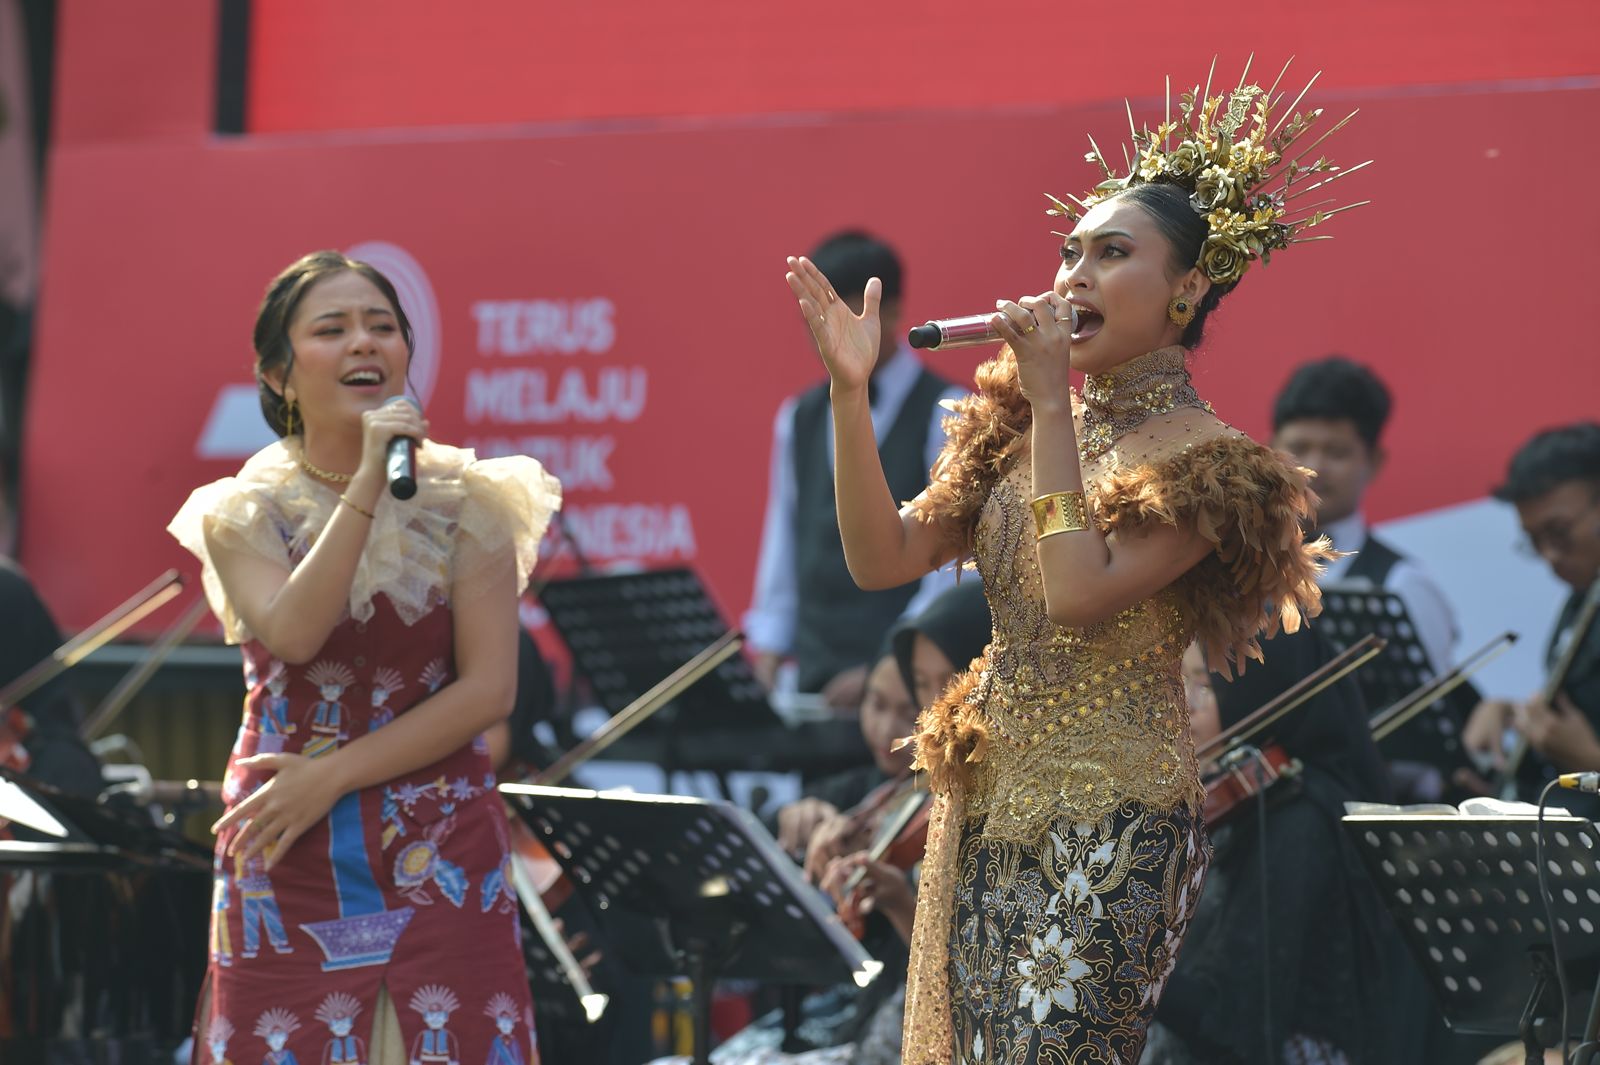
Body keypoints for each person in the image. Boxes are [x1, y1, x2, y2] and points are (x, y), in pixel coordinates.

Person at [784, 65, 1357, 1064]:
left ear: (1188, 289)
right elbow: (882, 559)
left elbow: (1076, 589)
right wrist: (847, 392)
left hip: (1116, 815)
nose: (1073, 276)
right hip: (989, 802)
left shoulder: (1211, 463)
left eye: (1110, 253)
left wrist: (1051, 401)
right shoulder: (1011, 425)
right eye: (1067, 252)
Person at [168, 251, 561, 1065]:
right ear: (278, 374)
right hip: (288, 846)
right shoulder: (241, 508)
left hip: (440, 838)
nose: (363, 344)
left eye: (383, 327)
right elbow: (297, 634)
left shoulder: (472, 498)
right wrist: (367, 491)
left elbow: (490, 689)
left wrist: (335, 773)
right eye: (332, 329)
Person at [1143, 630, 1404, 1064]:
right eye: (1181, 681)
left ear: (1260, 695)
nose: (1182, 705)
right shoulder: (1226, 797)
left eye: (1206, 688)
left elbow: (1234, 1026)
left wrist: (1124, 959)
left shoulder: (1297, 823)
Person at [746, 230, 966, 709]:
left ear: (891, 311)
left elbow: (952, 565)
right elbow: (786, 538)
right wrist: (768, 647)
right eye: (816, 320)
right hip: (813, 682)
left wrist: (889, 663)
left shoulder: (948, 412)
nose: (830, 335)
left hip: (902, 694)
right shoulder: (797, 416)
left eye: (845, 316)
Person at [1270, 356, 1458, 673]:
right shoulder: (1232, 559)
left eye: (1337, 452)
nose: (1314, 468)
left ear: (1374, 462)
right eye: (1299, 448)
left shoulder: (1403, 586)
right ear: (1269, 451)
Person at [1463, 423, 1600, 805]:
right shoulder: (1584, 597)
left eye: (1559, 532)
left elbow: (1584, 747)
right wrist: (1512, 715)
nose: (1550, 556)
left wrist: (1591, 762)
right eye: (1535, 540)